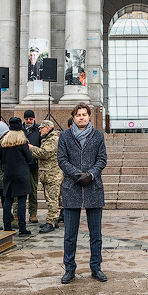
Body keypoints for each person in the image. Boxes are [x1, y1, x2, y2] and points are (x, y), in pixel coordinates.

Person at [57, 103, 108, 283]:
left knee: (96, 235)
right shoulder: (64, 136)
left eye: (84, 114)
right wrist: (77, 174)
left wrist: (91, 174)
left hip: (93, 189)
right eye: (78, 115)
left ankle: (96, 267)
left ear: (89, 117)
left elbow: (102, 159)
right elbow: (61, 160)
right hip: (72, 189)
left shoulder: (98, 136)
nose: (81, 117)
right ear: (74, 117)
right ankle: (69, 268)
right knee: (70, 235)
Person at [0, 117, 38, 235]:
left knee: (8, 200)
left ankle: (6, 226)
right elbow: (30, 159)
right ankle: (22, 228)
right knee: (22, 201)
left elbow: (1, 159)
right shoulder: (22, 143)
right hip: (22, 175)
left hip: (8, 174)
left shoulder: (4, 143)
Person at [29, 118, 63, 233]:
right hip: (48, 174)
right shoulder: (47, 139)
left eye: (41, 128)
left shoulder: (52, 139)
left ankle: (51, 223)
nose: (39, 131)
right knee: (53, 199)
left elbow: (45, 153)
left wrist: (31, 148)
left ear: (47, 128)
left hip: (52, 175)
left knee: (52, 200)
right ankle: (53, 220)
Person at [22, 109, 42, 225]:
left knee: (33, 190)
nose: (29, 121)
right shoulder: (20, 129)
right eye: (27, 119)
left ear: (34, 118)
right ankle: (16, 214)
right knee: (19, 190)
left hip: (34, 164)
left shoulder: (38, 129)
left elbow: (40, 145)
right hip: (22, 164)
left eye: (31, 119)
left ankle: (33, 213)